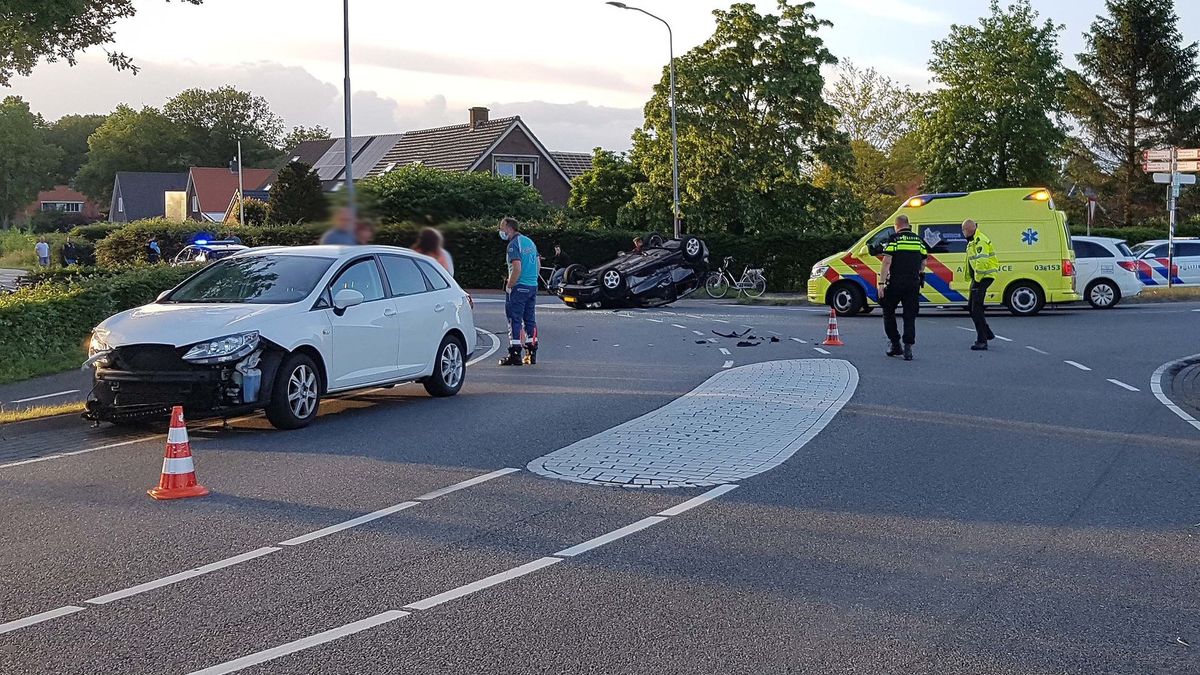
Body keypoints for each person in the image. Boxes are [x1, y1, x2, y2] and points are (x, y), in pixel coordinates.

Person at [878, 214, 928, 361]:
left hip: (895, 283)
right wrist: (918, 272)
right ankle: (908, 348)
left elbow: (887, 262)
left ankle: (895, 344)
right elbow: (924, 262)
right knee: (909, 316)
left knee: (888, 312)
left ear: (896, 225)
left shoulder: (894, 239)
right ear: (908, 224)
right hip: (913, 284)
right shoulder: (918, 241)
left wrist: (881, 284)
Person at [497, 216, 539, 366]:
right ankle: (531, 352)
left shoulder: (513, 245)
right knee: (530, 319)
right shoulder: (530, 242)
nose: (500, 231)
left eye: (501, 228)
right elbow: (538, 263)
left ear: (509, 228)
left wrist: (510, 285)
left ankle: (515, 353)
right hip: (532, 285)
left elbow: (517, 267)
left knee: (514, 319)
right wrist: (532, 279)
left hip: (519, 286)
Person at [963, 219, 999, 350]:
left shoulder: (980, 241)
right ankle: (987, 333)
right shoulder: (973, 240)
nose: (963, 233)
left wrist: (977, 281)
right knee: (971, 307)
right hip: (980, 277)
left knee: (976, 309)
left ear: (967, 230)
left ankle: (982, 340)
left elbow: (982, 262)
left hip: (984, 277)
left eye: (963, 230)